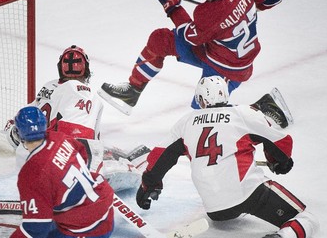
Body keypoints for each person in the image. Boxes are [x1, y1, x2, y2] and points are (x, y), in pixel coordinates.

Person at [98, 0, 290, 128]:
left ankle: (262, 108)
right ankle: (132, 91)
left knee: (201, 120)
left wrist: (171, 4)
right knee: (160, 40)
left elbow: (189, 35)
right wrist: (244, 6)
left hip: (230, 68)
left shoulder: (210, 14)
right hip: (212, 49)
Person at [135, 76, 319, 238]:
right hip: (250, 194)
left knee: (227, 199)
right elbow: (282, 143)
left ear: (201, 99)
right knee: (306, 219)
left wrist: (148, 185)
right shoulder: (243, 114)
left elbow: (160, 156)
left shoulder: (186, 122)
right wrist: (279, 162)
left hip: (215, 209)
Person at [4, 45, 149, 191]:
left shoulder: (49, 86)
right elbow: (76, 135)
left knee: (116, 149)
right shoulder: (83, 91)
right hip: (61, 162)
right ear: (86, 69)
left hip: (34, 153)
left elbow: (18, 126)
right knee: (142, 155)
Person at [10, 106, 114, 238]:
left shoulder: (31, 174)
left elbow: (36, 229)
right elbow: (83, 153)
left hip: (88, 229)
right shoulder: (59, 138)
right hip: (105, 205)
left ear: (19, 133)